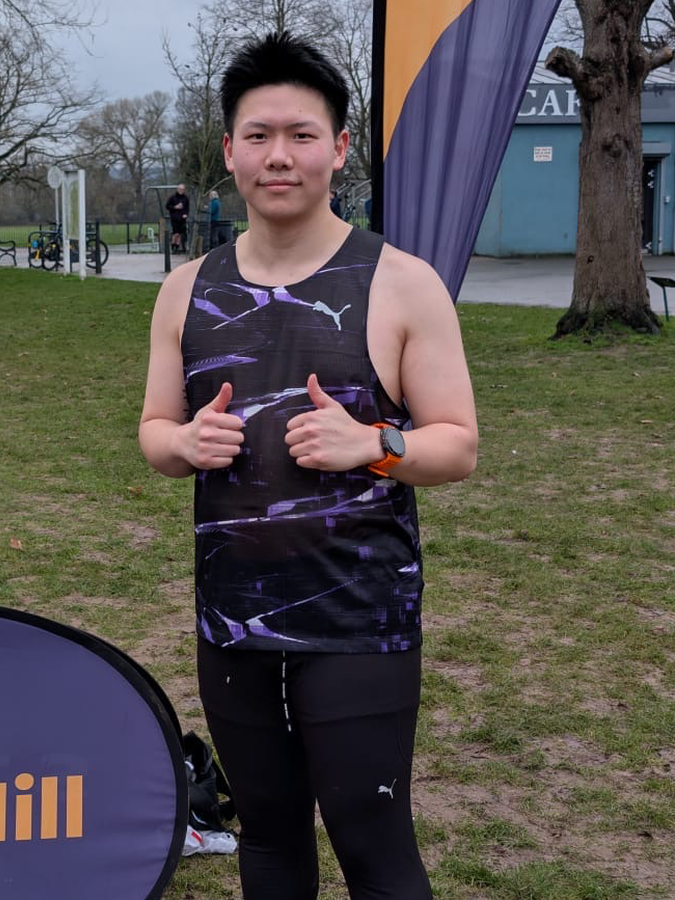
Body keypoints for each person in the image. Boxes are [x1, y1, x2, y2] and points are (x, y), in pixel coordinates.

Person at [139, 31, 477, 900]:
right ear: (229, 151)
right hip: (232, 620)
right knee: (268, 838)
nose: (278, 156)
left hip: (359, 619)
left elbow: (457, 444)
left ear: (339, 147)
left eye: (301, 134)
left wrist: (376, 445)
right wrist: (184, 445)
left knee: (374, 846)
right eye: (258, 136)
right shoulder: (185, 290)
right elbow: (155, 431)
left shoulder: (403, 283)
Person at [165, 184, 190, 253]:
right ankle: (173, 247)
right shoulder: (172, 197)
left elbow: (187, 208)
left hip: (182, 218)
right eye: (180, 189)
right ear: (177, 189)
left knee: (180, 234)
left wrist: (186, 214)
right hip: (174, 218)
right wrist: (175, 207)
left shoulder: (186, 198)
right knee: (175, 233)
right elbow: (167, 206)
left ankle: (177, 247)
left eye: (182, 189)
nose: (181, 191)